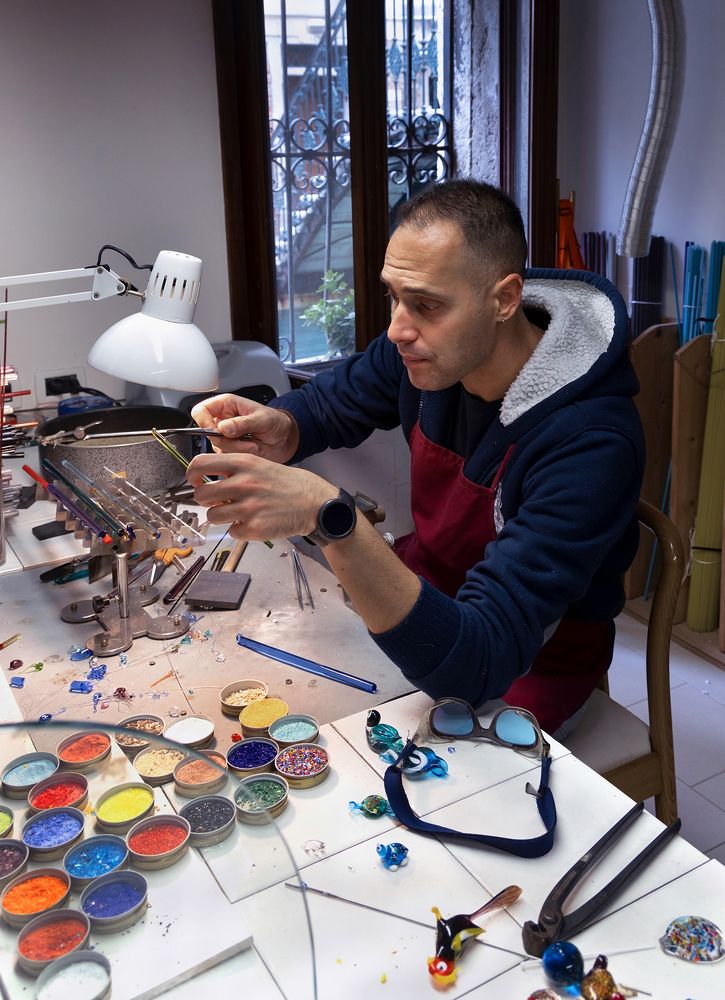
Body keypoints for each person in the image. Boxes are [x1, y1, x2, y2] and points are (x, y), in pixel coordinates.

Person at [186, 179, 644, 736]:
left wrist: (331, 518)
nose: (398, 329)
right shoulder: (428, 348)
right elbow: (335, 400)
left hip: (523, 661)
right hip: (431, 594)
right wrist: (282, 428)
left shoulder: (590, 441)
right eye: (393, 297)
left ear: (503, 299)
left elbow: (481, 663)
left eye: (426, 305)